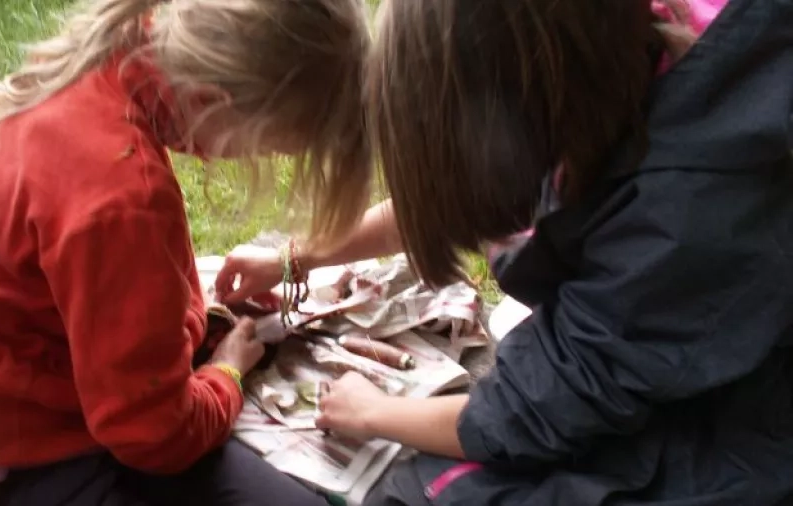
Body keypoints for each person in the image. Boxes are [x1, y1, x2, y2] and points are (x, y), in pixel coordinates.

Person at [215, 0, 793, 505]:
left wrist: (372, 413)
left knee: (430, 492)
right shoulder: (605, 66)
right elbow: (450, 197)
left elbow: (532, 413)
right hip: (686, 333)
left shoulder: (677, 215)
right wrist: (296, 257)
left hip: (749, 421)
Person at [0, 0, 370, 504]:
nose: (256, 157)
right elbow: (154, 435)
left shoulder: (117, 53)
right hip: (35, 455)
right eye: (265, 146)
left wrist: (202, 321)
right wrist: (226, 373)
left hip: (8, 404)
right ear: (211, 99)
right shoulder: (122, 194)